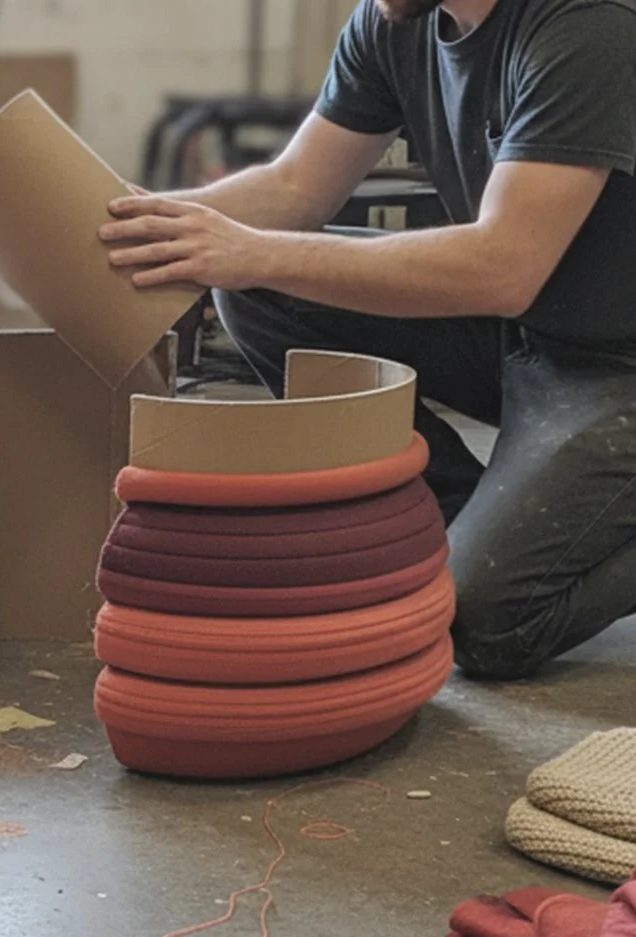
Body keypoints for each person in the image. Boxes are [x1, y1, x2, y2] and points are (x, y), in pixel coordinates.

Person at [99, 0, 636, 681]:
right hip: (524, 334)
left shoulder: (589, 26)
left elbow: (504, 269)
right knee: (256, 287)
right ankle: (445, 519)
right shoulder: (393, 20)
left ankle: (499, 554)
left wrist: (252, 251)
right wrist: (140, 222)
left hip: (616, 365)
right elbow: (294, 188)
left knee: (483, 622)